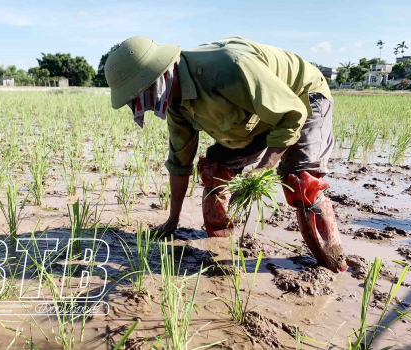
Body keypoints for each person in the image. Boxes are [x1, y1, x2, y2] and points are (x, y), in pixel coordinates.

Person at [104, 36, 347, 272]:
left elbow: (291, 113)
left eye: (140, 96)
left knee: (301, 182)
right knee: (216, 170)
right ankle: (220, 248)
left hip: (303, 97)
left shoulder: (230, 68)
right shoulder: (176, 104)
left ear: (158, 78)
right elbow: (180, 162)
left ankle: (333, 264)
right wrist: (172, 221)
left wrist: (260, 173)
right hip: (258, 116)